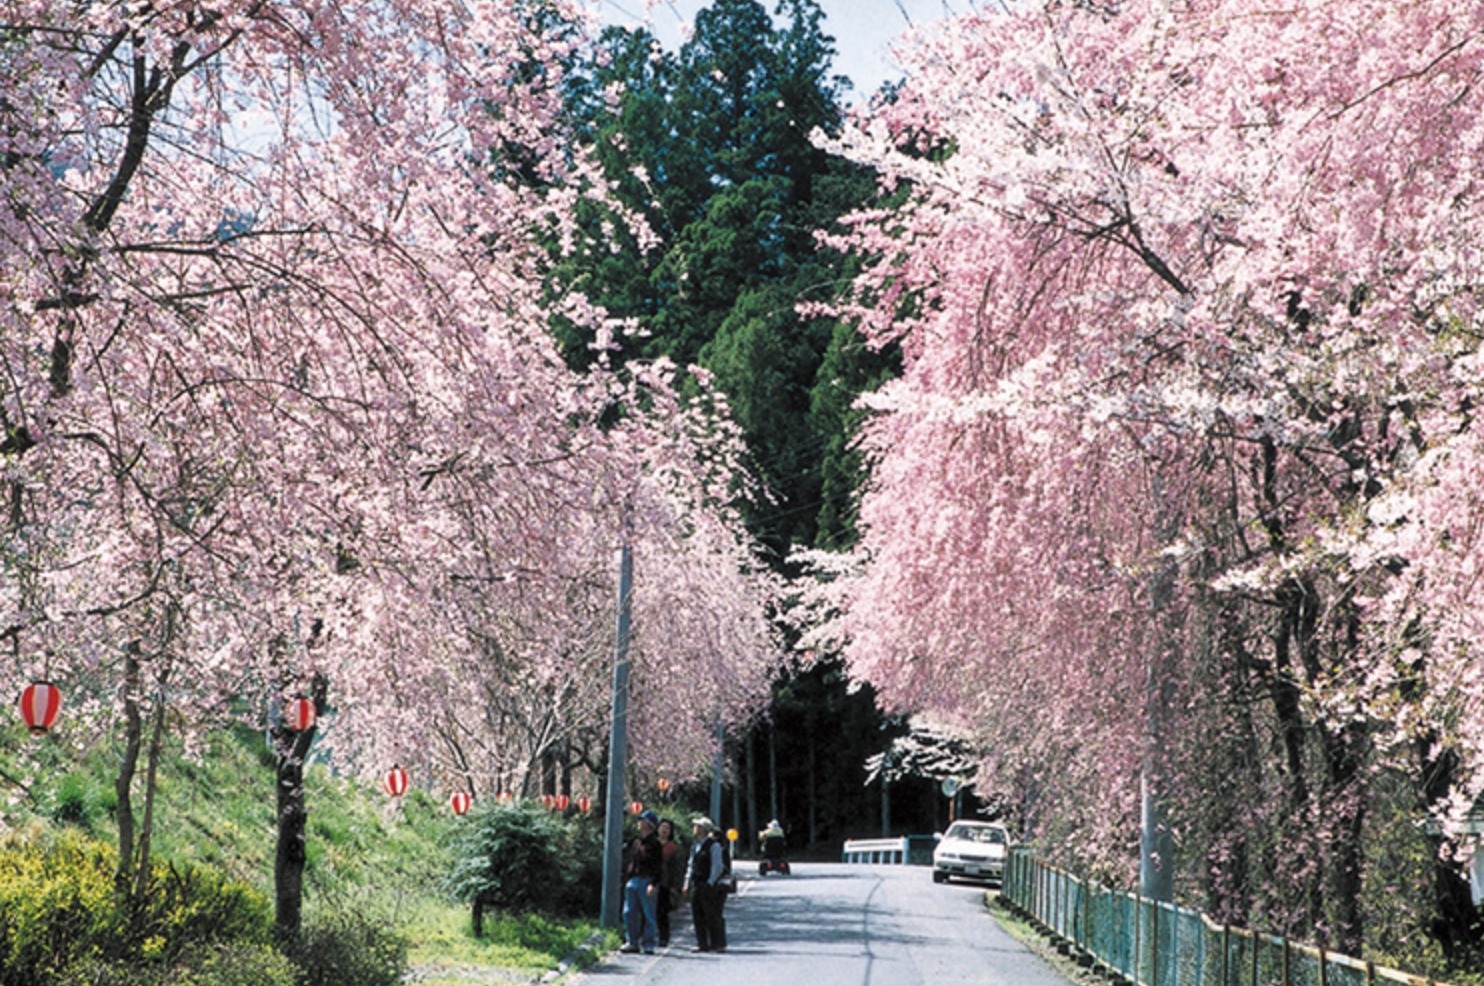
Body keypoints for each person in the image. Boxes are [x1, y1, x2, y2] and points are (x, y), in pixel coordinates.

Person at [621, 810, 663, 954]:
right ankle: (632, 942)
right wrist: (628, 877)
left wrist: (654, 883)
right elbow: (631, 862)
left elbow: (658, 866)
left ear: (649, 825)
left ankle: (648, 943)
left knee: (648, 914)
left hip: (647, 881)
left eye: (642, 821)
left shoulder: (655, 845)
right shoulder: (636, 842)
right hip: (634, 880)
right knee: (629, 912)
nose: (639, 824)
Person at [684, 816, 728, 953]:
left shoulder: (713, 845)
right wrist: (687, 882)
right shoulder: (695, 846)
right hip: (696, 883)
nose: (695, 828)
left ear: (703, 829)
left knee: (713, 914)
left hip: (707, 884)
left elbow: (717, 866)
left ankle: (718, 943)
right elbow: (691, 865)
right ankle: (702, 943)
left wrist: (710, 882)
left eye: (697, 826)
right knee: (697, 914)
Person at [657, 818, 686, 948]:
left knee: (662, 912)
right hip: (650, 882)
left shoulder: (672, 848)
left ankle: (664, 938)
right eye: (662, 827)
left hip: (665, 884)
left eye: (667, 828)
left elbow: (677, 870)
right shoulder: (651, 844)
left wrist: (675, 887)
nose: (664, 830)